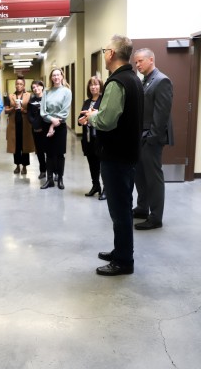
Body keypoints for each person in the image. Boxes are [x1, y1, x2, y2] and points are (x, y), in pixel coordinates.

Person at [79, 34, 144, 276]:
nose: (105, 53)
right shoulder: (133, 79)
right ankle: (121, 251)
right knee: (123, 207)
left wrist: (91, 116)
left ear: (111, 54)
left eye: (106, 49)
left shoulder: (117, 83)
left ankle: (124, 261)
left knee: (119, 210)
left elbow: (106, 120)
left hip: (116, 157)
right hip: (127, 154)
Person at [133, 48, 174, 230]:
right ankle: (142, 208)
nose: (138, 65)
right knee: (140, 176)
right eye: (136, 62)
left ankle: (156, 217)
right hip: (141, 136)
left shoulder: (161, 81)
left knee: (153, 178)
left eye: (140, 61)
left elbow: (161, 115)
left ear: (151, 59)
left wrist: (151, 138)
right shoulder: (145, 81)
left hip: (151, 138)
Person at [40, 68, 72, 190]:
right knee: (49, 153)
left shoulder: (67, 92)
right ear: (51, 78)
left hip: (60, 127)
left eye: (58, 75)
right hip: (46, 125)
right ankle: (49, 179)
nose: (56, 77)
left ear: (62, 77)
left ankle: (60, 178)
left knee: (59, 154)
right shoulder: (46, 91)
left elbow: (64, 112)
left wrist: (54, 124)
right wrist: (51, 120)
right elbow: (43, 111)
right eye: (54, 75)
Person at [78, 76, 106, 200]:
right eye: (91, 85)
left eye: (96, 84)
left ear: (100, 86)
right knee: (92, 163)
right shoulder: (86, 102)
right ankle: (96, 186)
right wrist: (81, 121)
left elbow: (105, 118)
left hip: (100, 138)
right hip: (88, 138)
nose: (93, 87)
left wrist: (94, 114)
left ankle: (106, 189)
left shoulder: (104, 100)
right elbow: (81, 119)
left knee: (102, 164)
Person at [5, 75, 35, 175]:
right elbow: (6, 110)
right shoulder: (10, 96)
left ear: (24, 85)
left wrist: (23, 110)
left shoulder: (29, 96)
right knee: (16, 146)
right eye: (17, 84)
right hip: (14, 125)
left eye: (21, 84)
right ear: (15, 85)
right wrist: (13, 108)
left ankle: (25, 167)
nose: (19, 86)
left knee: (25, 145)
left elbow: (32, 111)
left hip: (25, 125)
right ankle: (17, 166)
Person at [27, 80, 47, 179]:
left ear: (42, 87)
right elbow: (29, 116)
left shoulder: (47, 98)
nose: (36, 88)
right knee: (39, 151)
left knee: (50, 151)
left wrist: (43, 126)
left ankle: (53, 172)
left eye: (38, 86)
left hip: (47, 129)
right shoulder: (31, 100)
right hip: (36, 129)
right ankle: (43, 170)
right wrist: (36, 126)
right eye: (33, 87)